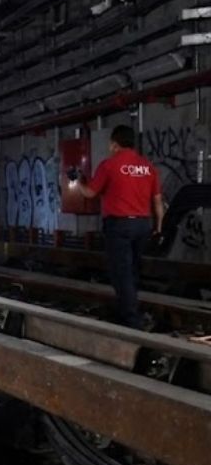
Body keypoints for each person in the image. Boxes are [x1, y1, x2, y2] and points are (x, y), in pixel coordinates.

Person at [74, 125, 165, 329]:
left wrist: (77, 182)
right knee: (133, 269)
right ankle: (129, 309)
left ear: (115, 144)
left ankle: (131, 319)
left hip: (119, 225)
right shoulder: (148, 167)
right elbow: (158, 201)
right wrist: (158, 227)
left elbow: (89, 193)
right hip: (143, 224)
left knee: (120, 271)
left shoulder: (109, 165)